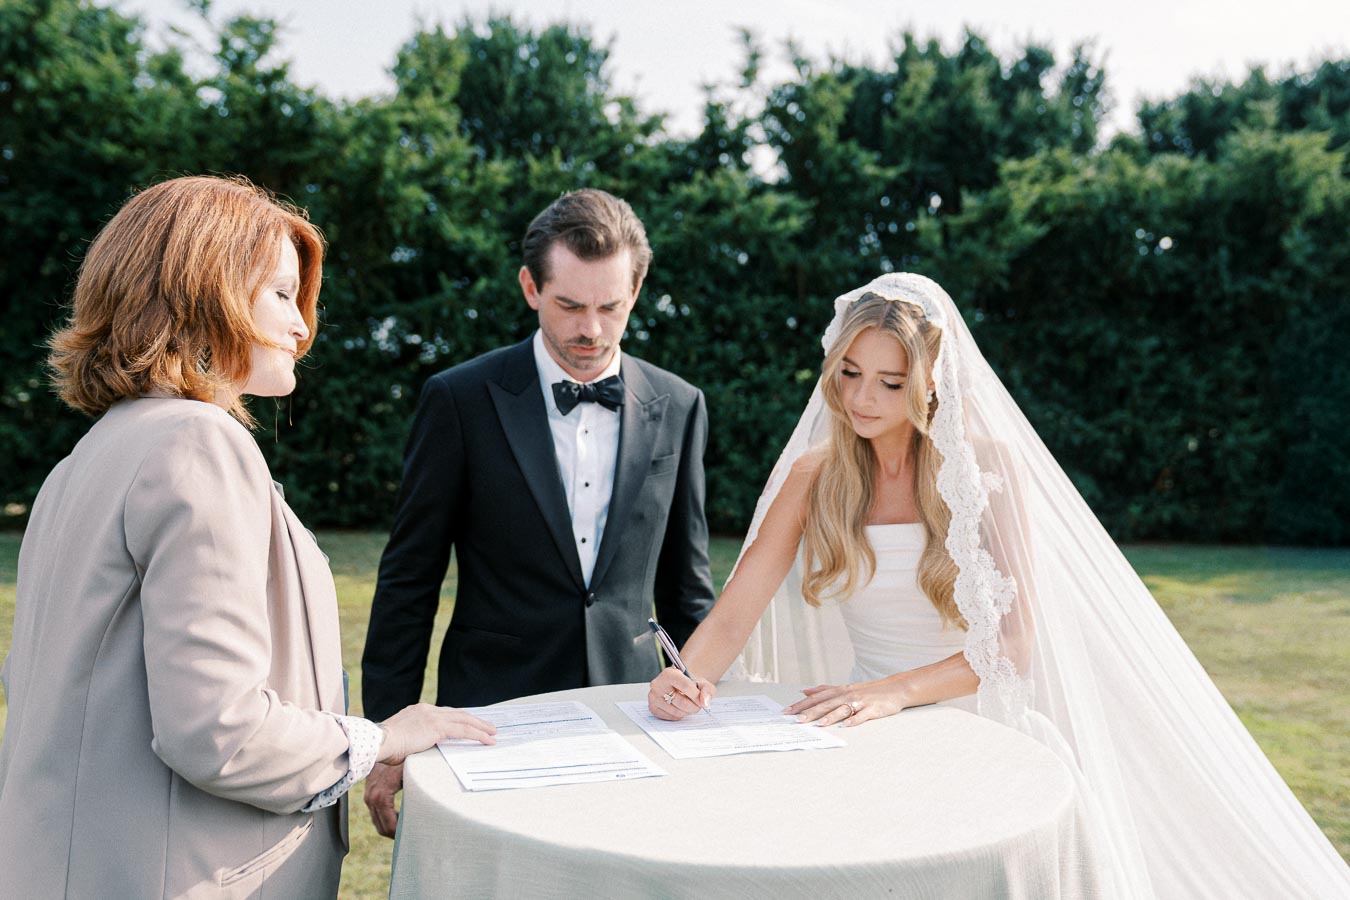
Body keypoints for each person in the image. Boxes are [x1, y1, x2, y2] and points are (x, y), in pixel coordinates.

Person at [648, 273, 1350, 897]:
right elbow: (736, 613)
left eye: (889, 383)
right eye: (850, 373)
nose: (861, 398)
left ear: (931, 381)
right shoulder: (815, 476)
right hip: (862, 730)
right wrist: (685, 676)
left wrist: (893, 692)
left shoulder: (986, 469)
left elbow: (1013, 646)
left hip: (978, 727)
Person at [0, 175, 497, 899]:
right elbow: (218, 729)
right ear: (206, 292)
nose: (303, 326)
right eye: (281, 295)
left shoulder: (85, 459)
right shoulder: (198, 443)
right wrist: (382, 739)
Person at [360, 188, 716, 837]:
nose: (591, 329)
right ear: (530, 287)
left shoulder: (681, 405)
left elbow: (687, 588)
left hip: (634, 711)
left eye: (611, 307)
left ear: (636, 291)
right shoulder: (458, 400)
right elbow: (408, 581)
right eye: (570, 305)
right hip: (492, 716)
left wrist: (706, 705)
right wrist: (389, 734)